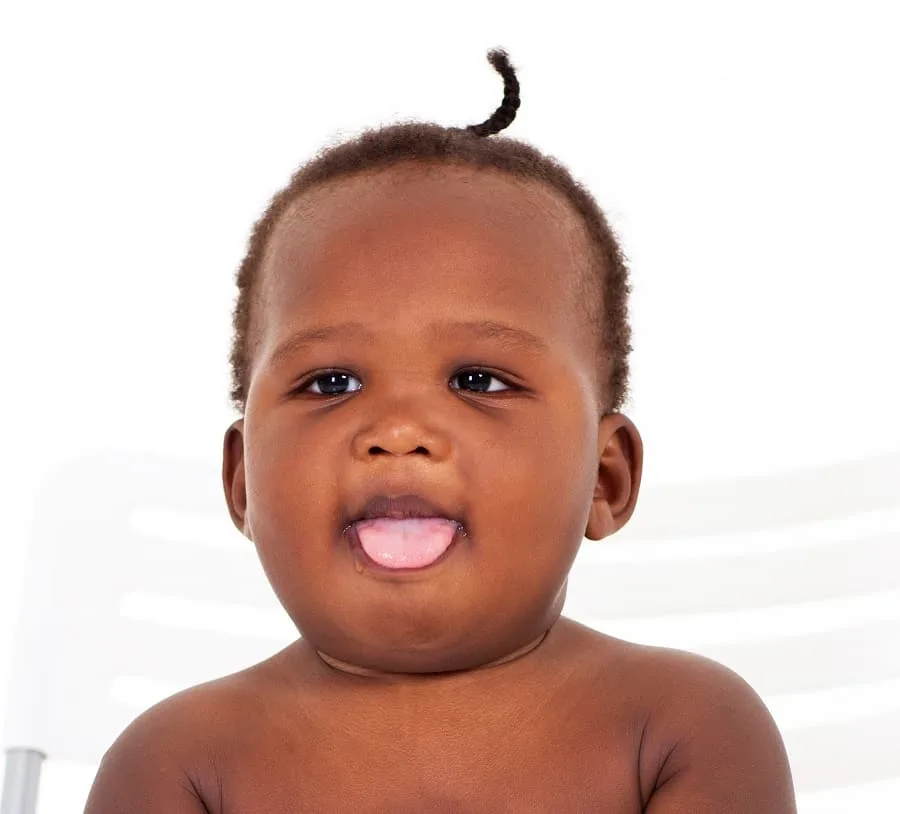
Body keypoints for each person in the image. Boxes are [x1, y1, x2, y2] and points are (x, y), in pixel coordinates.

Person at [84, 49, 797, 812]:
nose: (397, 431)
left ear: (605, 476)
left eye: (478, 381)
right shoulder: (180, 763)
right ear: (241, 481)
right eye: (332, 383)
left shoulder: (679, 730)